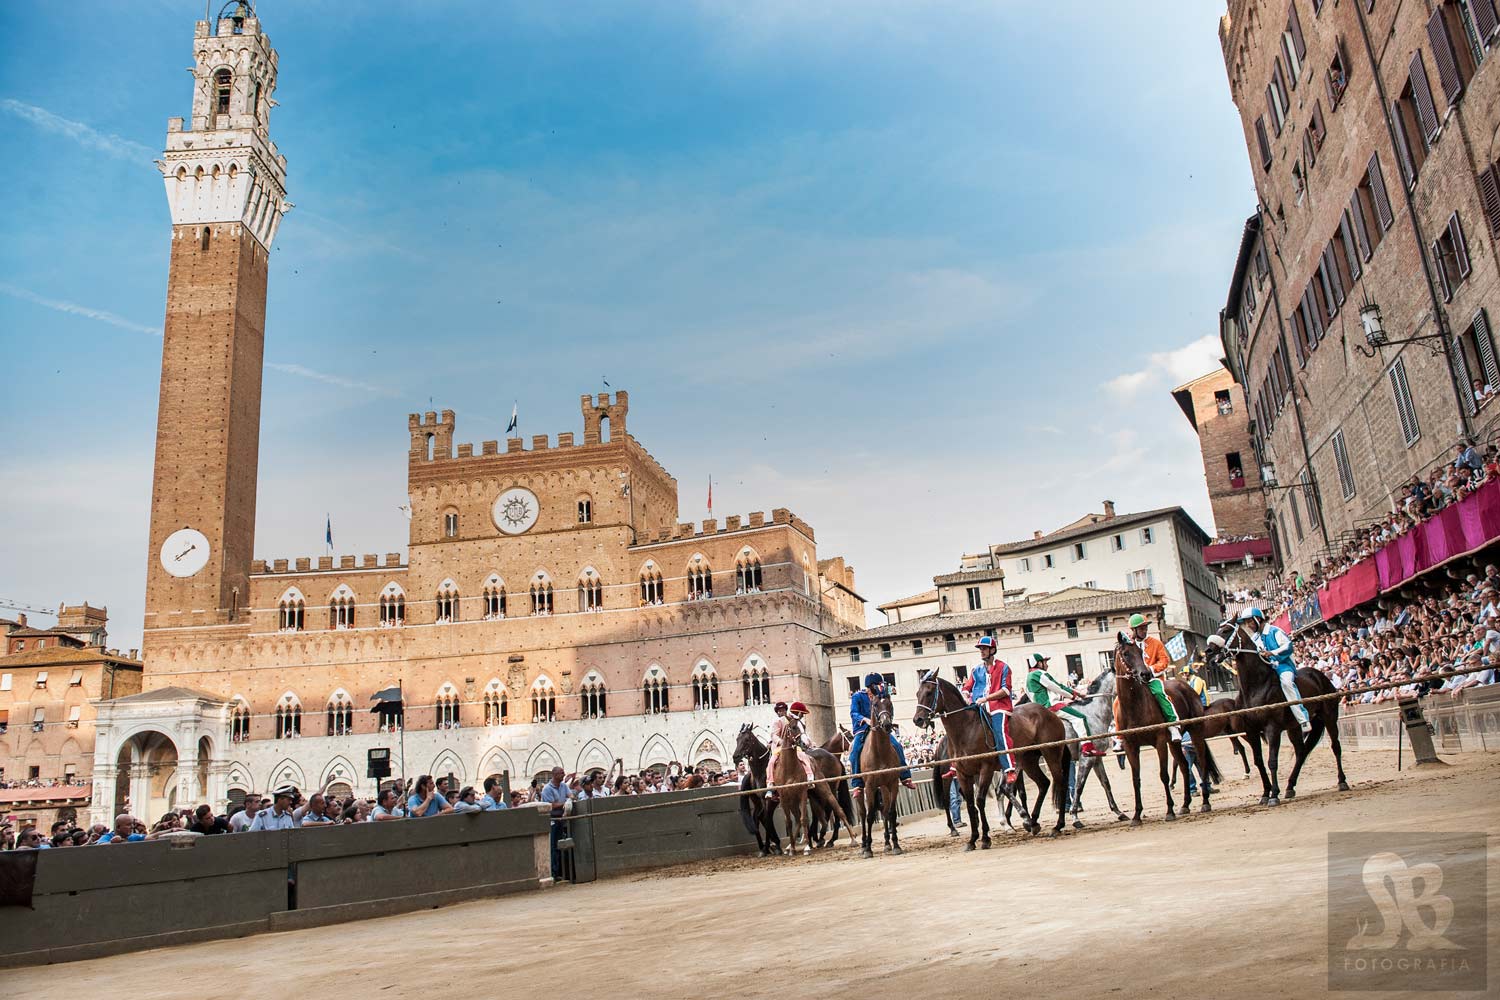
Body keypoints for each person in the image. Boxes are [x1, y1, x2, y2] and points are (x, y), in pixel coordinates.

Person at [1240, 606, 1312, 733]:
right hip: (1268, 670)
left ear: (1258, 619)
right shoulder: (1255, 639)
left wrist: (1272, 653)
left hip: (1283, 666)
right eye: (1246, 623)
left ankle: (1303, 719)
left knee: (1287, 683)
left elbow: (1288, 646)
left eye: (1249, 622)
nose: (1248, 625)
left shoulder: (1275, 631)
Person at [847, 677, 916, 798]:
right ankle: (857, 784)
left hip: (881, 728)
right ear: (870, 686)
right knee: (855, 751)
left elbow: (888, 709)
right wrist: (865, 720)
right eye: (877, 685)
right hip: (863, 729)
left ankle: (905, 777)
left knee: (897, 746)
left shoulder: (881, 697)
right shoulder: (858, 696)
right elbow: (854, 713)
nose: (880, 687)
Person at [1119, 614, 1182, 743]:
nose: (1144, 630)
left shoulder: (1156, 643)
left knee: (1159, 693)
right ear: (1134, 630)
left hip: (1154, 679)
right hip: (1136, 681)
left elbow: (1164, 661)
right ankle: (1119, 735)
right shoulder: (1130, 645)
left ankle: (1173, 725)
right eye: (1141, 628)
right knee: (1117, 701)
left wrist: (1151, 669)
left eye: (1145, 627)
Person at [963, 637, 1018, 784]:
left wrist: (986, 698)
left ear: (992, 650)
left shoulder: (1004, 667)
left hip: (999, 707)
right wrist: (965, 693)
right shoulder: (976, 670)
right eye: (980, 649)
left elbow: (1006, 690)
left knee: (1000, 732)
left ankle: (1010, 769)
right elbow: (967, 687)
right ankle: (955, 765)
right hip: (978, 706)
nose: (981, 651)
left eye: (984, 649)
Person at [1023, 652, 1101, 755]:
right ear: (1039, 663)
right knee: (1080, 718)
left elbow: (1046, 692)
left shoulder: (1028, 678)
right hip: (1050, 706)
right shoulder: (1039, 674)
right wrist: (1076, 694)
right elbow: (1057, 687)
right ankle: (1087, 747)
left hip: (1040, 708)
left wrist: (1065, 698)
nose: (1047, 665)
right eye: (1045, 662)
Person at [764, 701, 817, 800]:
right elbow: (774, 735)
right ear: (777, 712)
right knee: (771, 762)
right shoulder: (777, 722)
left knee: (804, 757)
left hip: (793, 747)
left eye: (783, 710)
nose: (781, 712)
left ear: (786, 710)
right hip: (780, 748)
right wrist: (780, 741)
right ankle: (770, 785)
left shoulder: (793, 721)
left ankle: (810, 777)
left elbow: (801, 734)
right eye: (779, 711)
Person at [539, 766, 573, 881]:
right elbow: (550, 805)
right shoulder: (547, 789)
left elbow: (571, 795)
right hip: (552, 820)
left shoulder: (563, 786)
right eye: (561, 773)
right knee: (553, 847)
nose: (563, 775)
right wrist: (564, 803)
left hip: (562, 819)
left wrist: (569, 799)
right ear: (554, 775)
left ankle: (563, 872)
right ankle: (554, 872)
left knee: (562, 846)